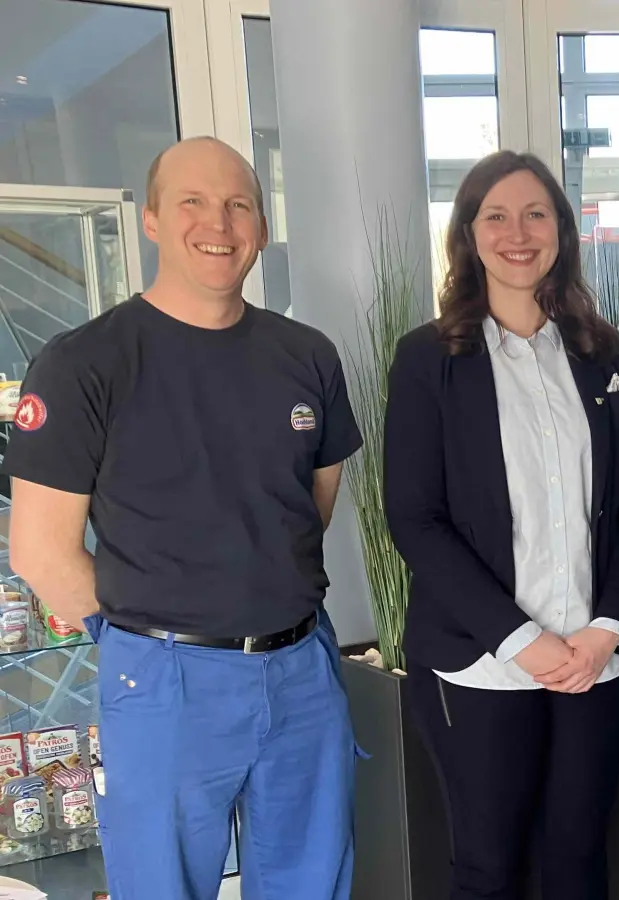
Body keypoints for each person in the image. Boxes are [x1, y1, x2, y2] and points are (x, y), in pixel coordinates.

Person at [1, 137, 363, 898]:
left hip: (301, 672)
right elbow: (39, 551)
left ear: (262, 227)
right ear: (154, 220)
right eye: (193, 201)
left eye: (239, 205)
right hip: (164, 678)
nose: (219, 223)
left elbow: (310, 504)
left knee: (311, 882)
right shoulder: (85, 363)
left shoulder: (306, 356)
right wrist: (146, 634)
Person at [383, 150, 619, 900]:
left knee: (578, 861)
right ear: (469, 236)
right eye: (495, 216)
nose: (518, 232)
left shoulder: (604, 354)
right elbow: (414, 517)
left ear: (561, 231)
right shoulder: (428, 359)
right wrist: (522, 640)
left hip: (595, 659)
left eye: (536, 213)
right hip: (484, 661)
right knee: (488, 867)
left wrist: (608, 627)